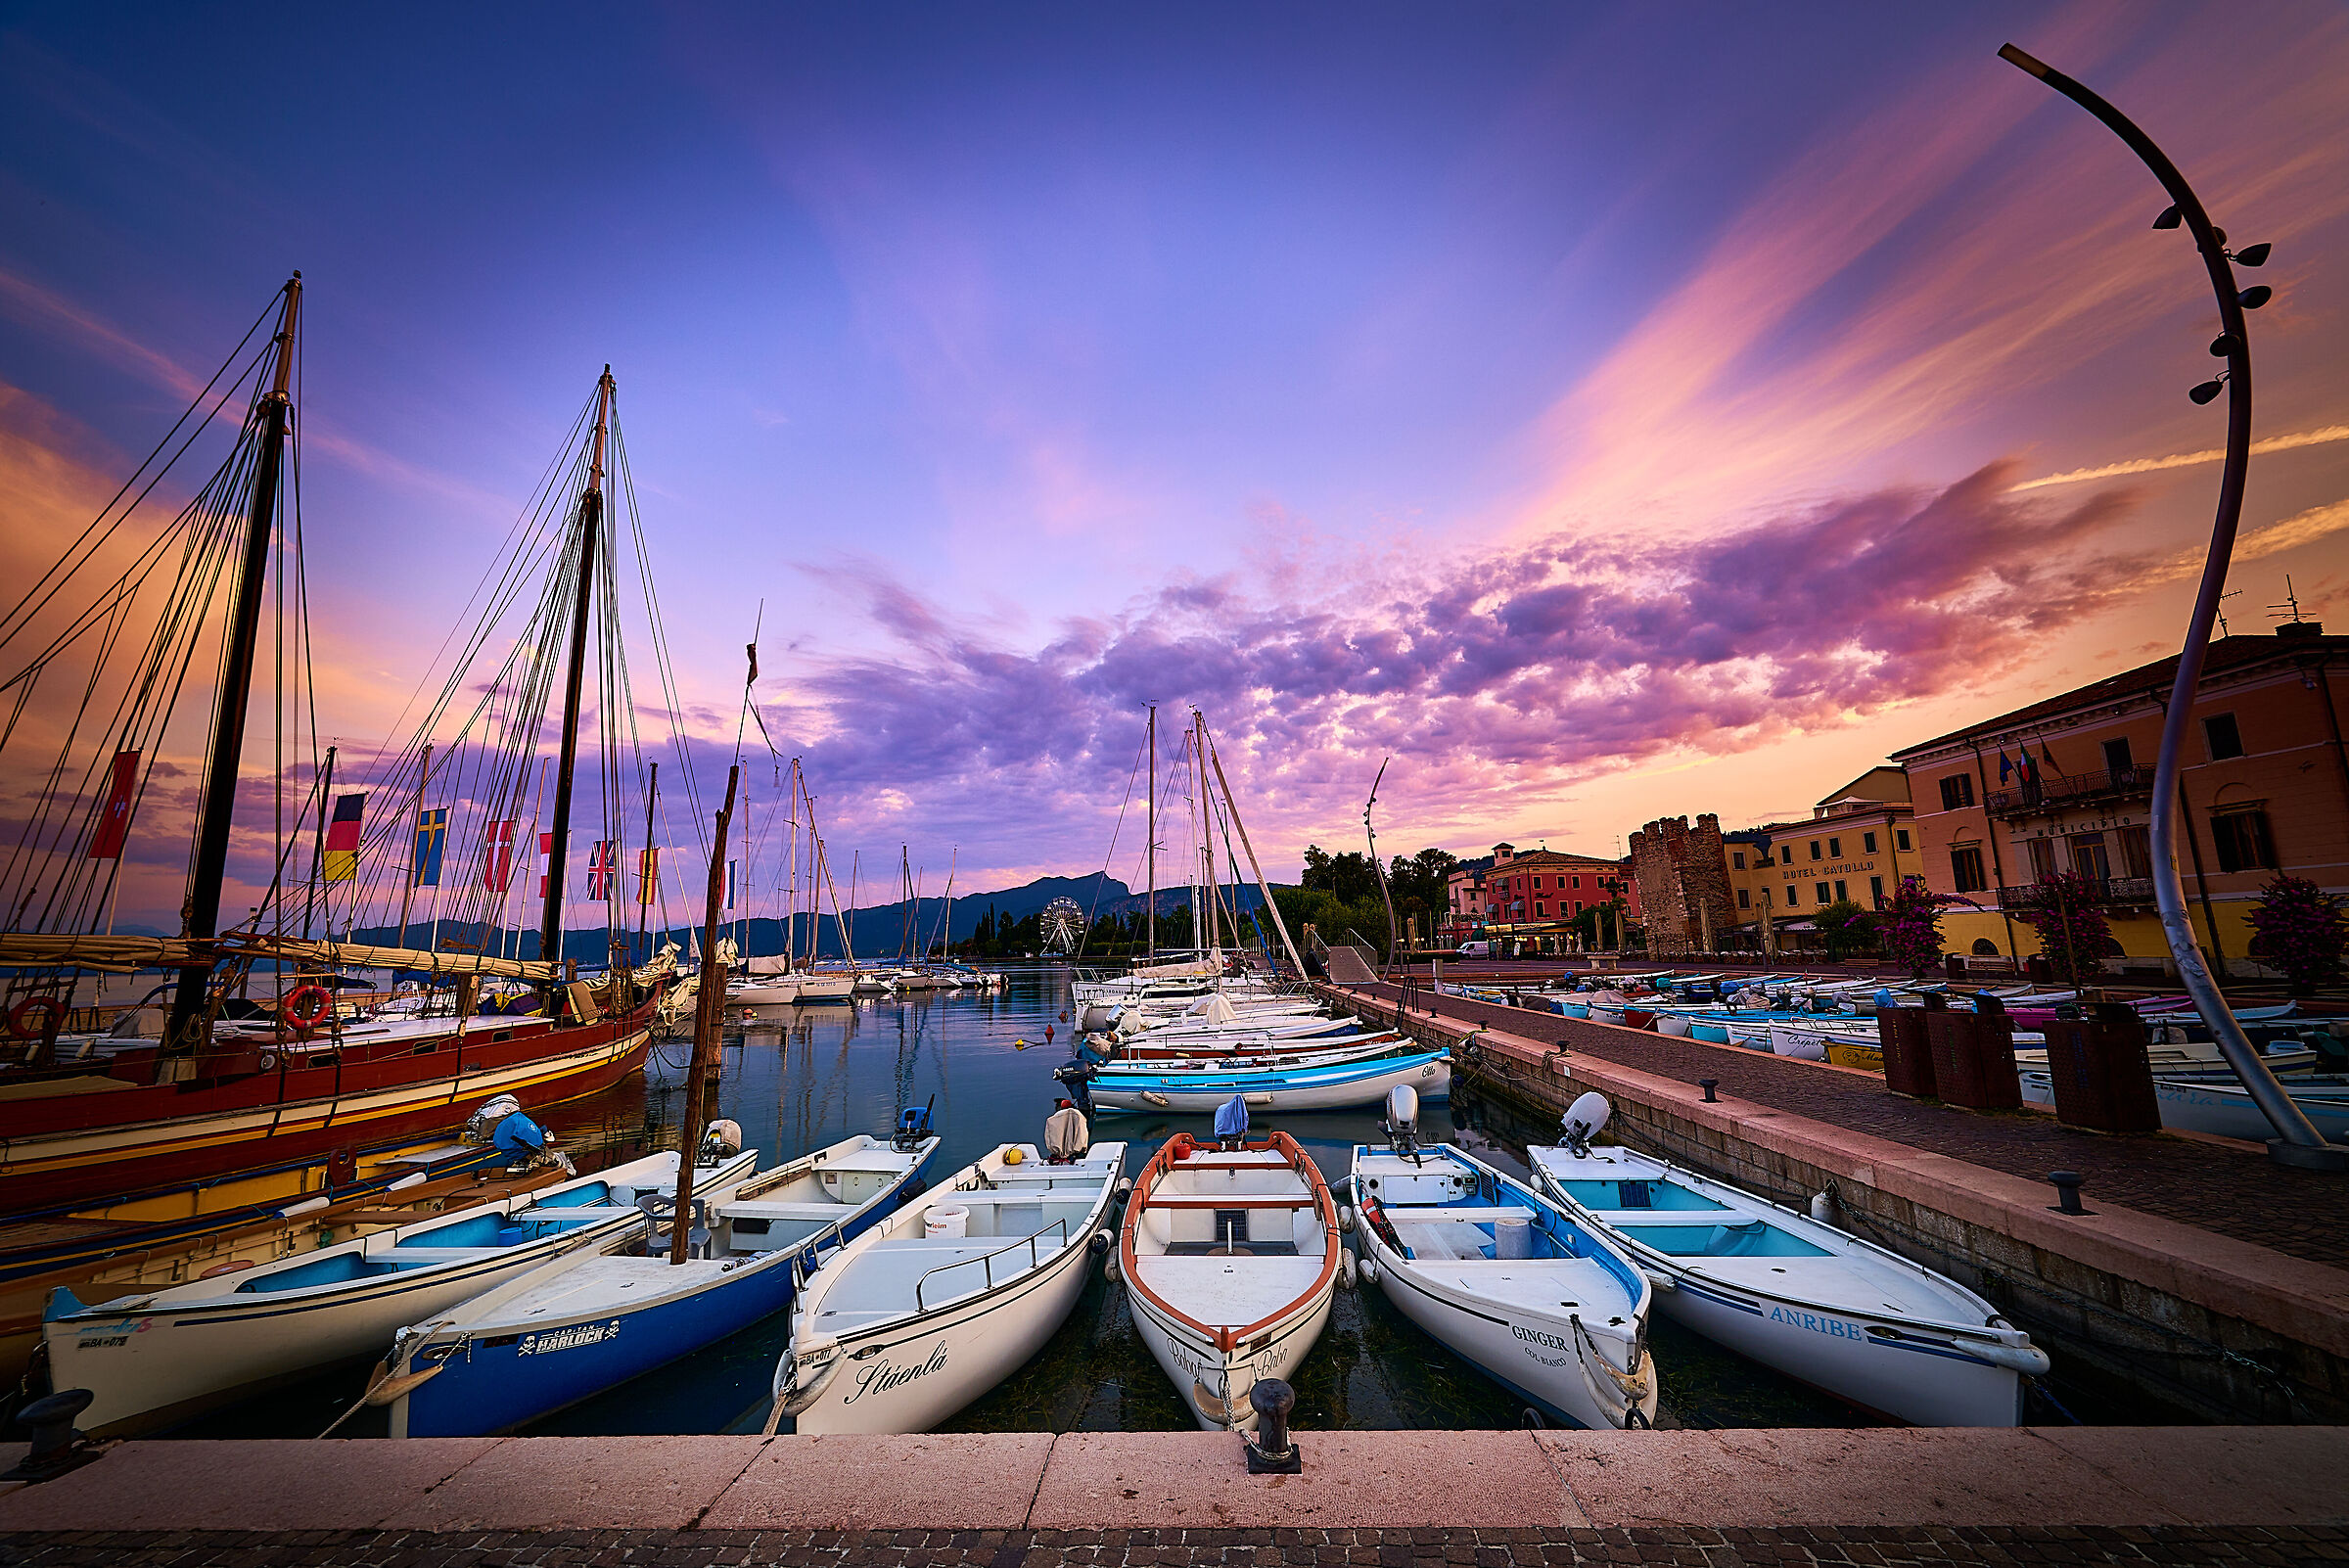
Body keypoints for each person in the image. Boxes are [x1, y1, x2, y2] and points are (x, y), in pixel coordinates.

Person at [1044, 1097, 1089, 1164]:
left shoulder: (1052, 1119)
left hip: (1057, 1158)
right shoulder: (1079, 1116)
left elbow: (1049, 1137)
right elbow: (1082, 1135)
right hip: (1076, 1157)